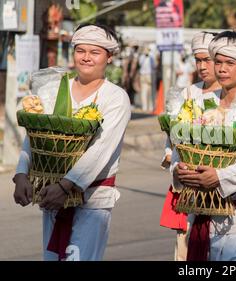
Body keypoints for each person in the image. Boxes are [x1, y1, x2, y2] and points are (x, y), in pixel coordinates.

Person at [13, 23, 131, 261]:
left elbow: (100, 151)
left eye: (95, 52)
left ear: (109, 57)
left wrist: (66, 186)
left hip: (91, 199)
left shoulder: (116, 98)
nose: (86, 58)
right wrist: (21, 174)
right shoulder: (53, 89)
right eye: (80, 51)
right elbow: (36, 136)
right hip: (50, 194)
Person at [171, 30, 236, 261]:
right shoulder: (199, 103)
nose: (221, 69)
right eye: (217, 62)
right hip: (199, 207)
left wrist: (219, 176)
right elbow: (180, 147)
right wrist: (179, 169)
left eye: (230, 63)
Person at [159, 31, 221, 261]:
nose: (203, 66)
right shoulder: (188, 92)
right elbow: (172, 136)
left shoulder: (231, 96)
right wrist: (171, 159)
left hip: (218, 189)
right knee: (183, 251)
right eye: (199, 60)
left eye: (208, 59)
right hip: (186, 186)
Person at [138, 46, 156, 112]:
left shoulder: (150, 57)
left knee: (149, 91)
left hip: (148, 74)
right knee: (146, 91)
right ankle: (146, 107)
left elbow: (153, 65)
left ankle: (150, 107)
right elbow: (141, 64)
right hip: (145, 75)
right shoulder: (144, 57)